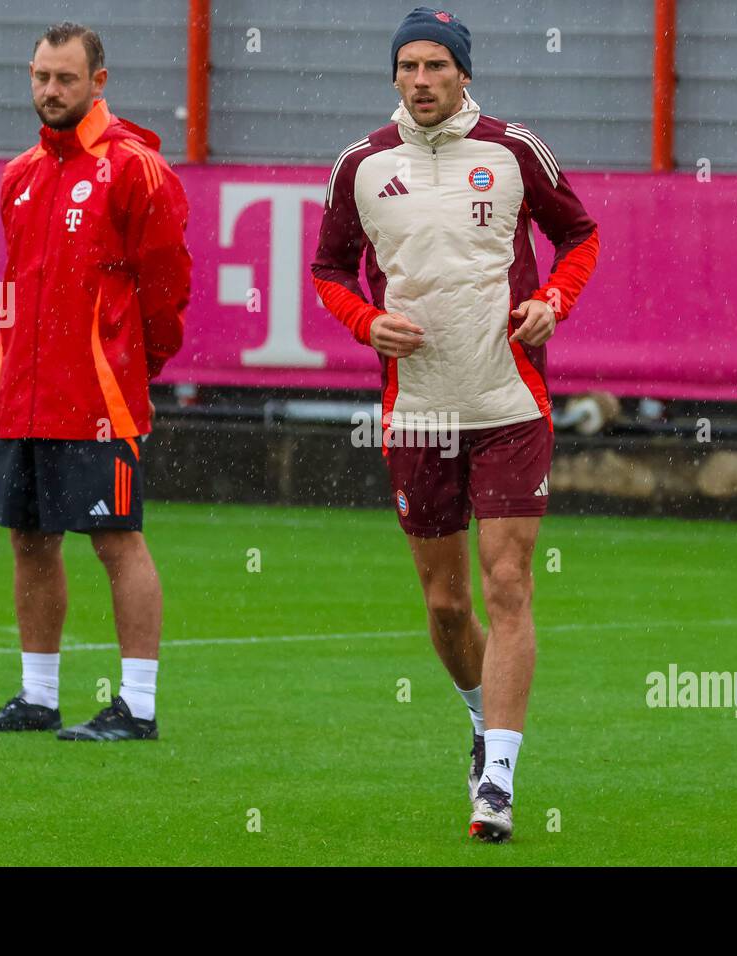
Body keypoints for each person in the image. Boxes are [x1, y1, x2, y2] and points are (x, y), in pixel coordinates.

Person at [310, 7, 600, 840]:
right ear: (394, 75)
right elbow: (328, 269)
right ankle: (480, 721)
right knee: (445, 604)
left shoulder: (513, 151)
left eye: (437, 66)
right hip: (420, 413)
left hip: (511, 404)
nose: (422, 81)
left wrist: (553, 300)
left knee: (508, 585)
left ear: (463, 73)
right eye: (409, 68)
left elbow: (579, 236)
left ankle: (500, 782)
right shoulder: (361, 166)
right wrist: (366, 323)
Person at [0, 22, 191, 742]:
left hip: (98, 400)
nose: (50, 91)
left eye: (65, 78)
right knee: (29, 539)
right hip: (23, 394)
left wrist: (131, 367)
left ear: (99, 81)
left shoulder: (135, 167)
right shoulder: (20, 175)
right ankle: (38, 695)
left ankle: (139, 705)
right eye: (40, 76)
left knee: (116, 540)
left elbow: (167, 289)